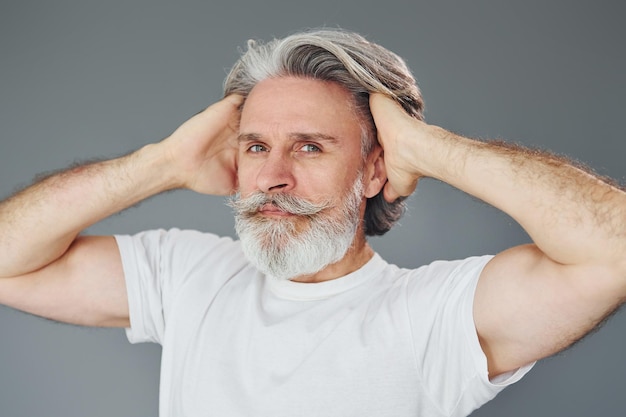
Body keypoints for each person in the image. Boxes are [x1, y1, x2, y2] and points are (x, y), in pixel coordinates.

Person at [0, 28, 624, 417]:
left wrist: (431, 150)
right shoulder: (186, 277)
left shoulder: (433, 316)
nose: (273, 176)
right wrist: (160, 163)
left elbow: (613, 250)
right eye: (254, 146)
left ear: (375, 170)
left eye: (309, 147)